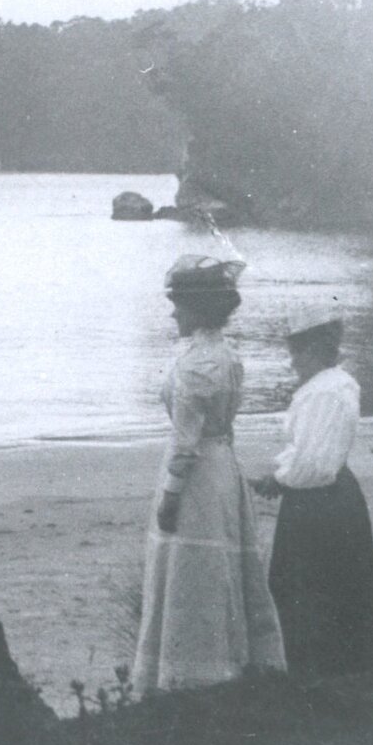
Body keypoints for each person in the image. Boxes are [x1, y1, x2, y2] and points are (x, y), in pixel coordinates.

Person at [132, 254, 286, 694]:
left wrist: (170, 493)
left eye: (179, 304)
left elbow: (185, 441)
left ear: (196, 309)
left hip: (198, 475)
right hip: (224, 467)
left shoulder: (196, 364)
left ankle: (187, 677)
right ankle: (227, 665)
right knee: (220, 567)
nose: (173, 311)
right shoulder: (226, 354)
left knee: (190, 569)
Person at [252, 304, 373, 678]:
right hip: (334, 494)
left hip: (319, 504)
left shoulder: (323, 393)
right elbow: (311, 450)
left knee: (309, 588)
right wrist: (281, 471)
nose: (292, 362)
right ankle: (339, 674)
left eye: (296, 353)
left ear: (313, 351)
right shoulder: (335, 384)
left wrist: (280, 478)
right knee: (338, 586)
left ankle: (318, 680)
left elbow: (315, 464)